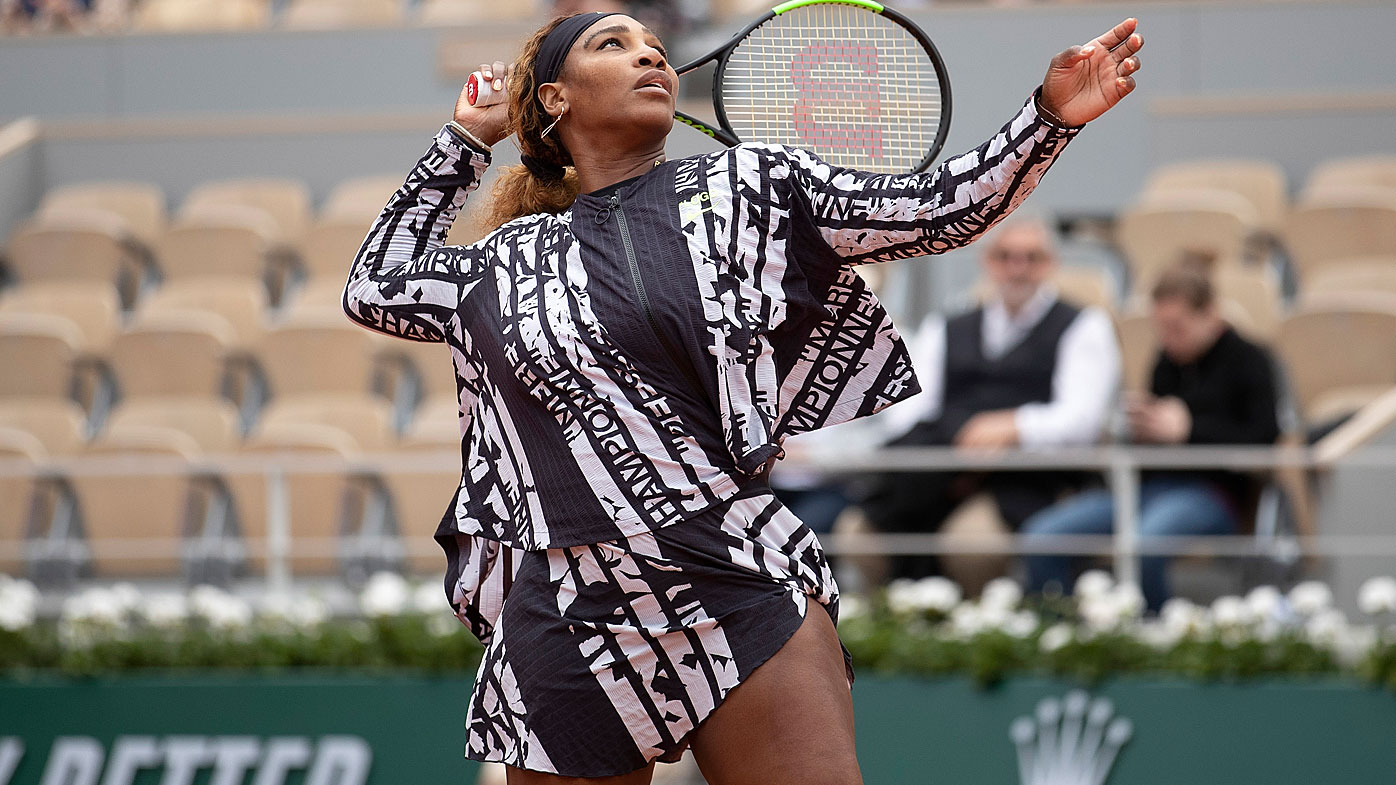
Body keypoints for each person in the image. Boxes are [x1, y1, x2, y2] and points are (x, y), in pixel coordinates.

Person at [342, 11, 1144, 783]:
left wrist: (1047, 118)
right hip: (566, 604)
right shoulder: (502, 260)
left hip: (733, 574)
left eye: (655, 46)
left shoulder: (750, 185)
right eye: (615, 44)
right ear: (557, 98)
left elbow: (939, 208)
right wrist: (465, 141)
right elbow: (374, 285)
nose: (650, 55)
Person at [858, 216, 1120, 581]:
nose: (1018, 269)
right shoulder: (946, 327)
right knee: (860, 535)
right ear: (987, 262)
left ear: (1050, 264)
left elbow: (1081, 420)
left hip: (1027, 479)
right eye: (1005, 256)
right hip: (942, 472)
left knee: (972, 548)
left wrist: (1013, 427)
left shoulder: (1083, 326)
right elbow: (907, 411)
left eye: (1032, 258)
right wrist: (961, 435)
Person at [1022, 260, 1280, 612]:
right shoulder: (1167, 360)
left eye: (1178, 327)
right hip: (1146, 489)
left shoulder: (1251, 359)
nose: (1168, 339)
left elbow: (1264, 438)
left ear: (1211, 314)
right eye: (1162, 328)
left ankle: (1152, 640)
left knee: (1142, 548)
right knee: (1040, 539)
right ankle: (1065, 638)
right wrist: (1137, 427)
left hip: (1213, 494)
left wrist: (1189, 431)